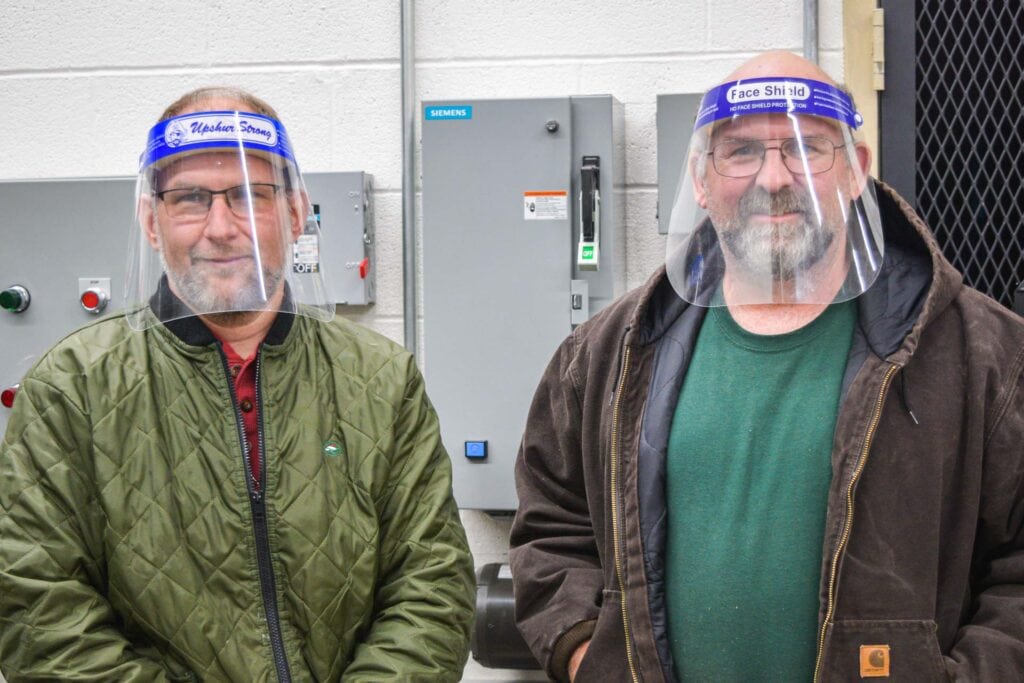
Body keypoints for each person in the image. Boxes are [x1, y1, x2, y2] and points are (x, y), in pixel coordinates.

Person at [510, 51, 1024, 682]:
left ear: (857, 170)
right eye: (741, 151)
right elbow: (551, 530)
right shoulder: (607, 354)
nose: (776, 178)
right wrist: (593, 656)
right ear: (701, 178)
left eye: (806, 147)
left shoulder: (984, 354)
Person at [0, 87, 475, 681]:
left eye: (251, 196)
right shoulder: (72, 389)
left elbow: (431, 586)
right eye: (191, 199)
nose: (221, 227)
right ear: (152, 221)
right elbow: (39, 612)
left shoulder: (381, 379)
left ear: (297, 214)